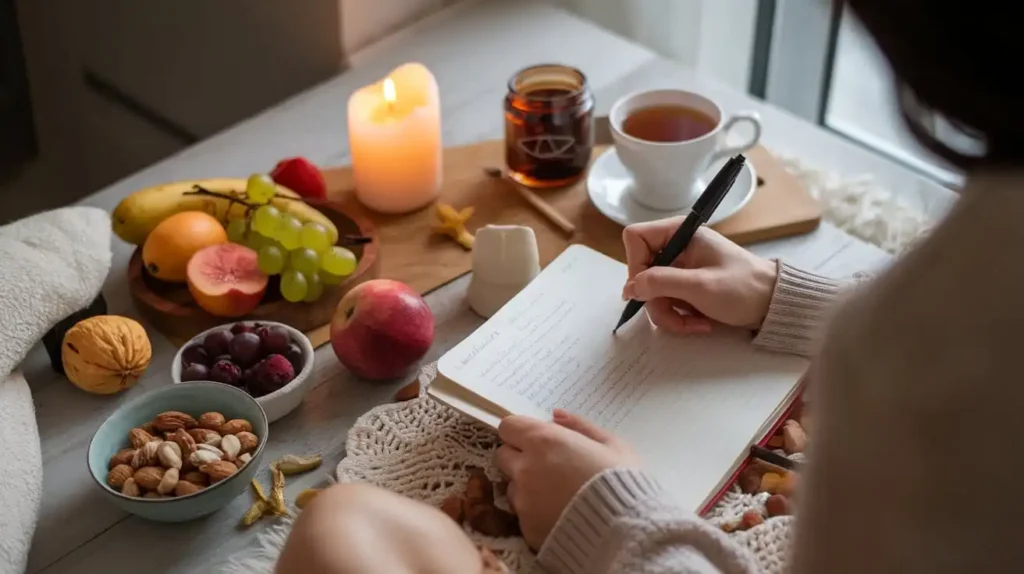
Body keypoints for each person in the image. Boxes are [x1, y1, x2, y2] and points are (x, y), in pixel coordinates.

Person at [277, 0, 1024, 572]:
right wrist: (775, 292)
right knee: (342, 524)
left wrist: (607, 518)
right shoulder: (970, 275)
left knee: (334, 534)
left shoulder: (932, 374)